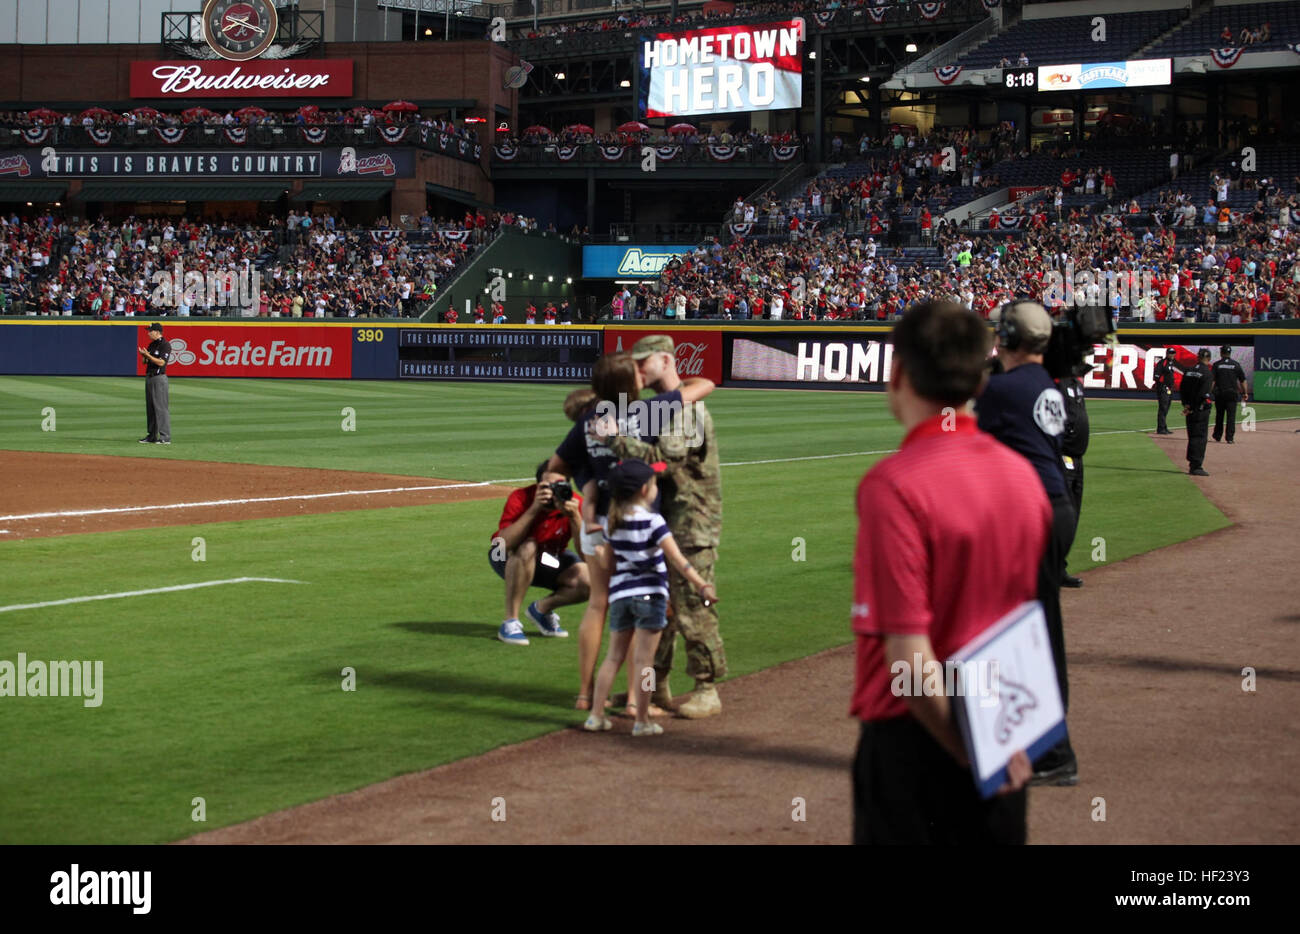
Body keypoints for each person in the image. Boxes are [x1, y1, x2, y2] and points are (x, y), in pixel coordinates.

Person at [852, 300, 1043, 844]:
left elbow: (908, 661)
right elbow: (1021, 627)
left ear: (898, 373)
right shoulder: (1023, 476)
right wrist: (1005, 744)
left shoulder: (894, 484)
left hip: (918, 745)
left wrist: (971, 754)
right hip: (1005, 728)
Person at [547, 352, 715, 712]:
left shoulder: (590, 419)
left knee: (598, 605)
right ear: (628, 384)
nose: (642, 374)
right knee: (645, 614)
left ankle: (586, 694)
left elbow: (554, 468)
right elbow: (706, 386)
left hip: (597, 527)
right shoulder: (645, 412)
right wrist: (665, 379)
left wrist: (581, 484)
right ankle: (640, 700)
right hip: (636, 526)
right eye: (636, 372)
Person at [976, 300, 1077, 785]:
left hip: (1031, 515)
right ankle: (1036, 743)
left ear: (1009, 339)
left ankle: (1052, 752)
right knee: (1037, 627)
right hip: (1057, 509)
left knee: (1026, 636)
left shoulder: (1002, 389)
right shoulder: (1043, 382)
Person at [610, 335, 725, 719]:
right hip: (665, 520)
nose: (639, 370)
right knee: (660, 609)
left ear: (665, 359)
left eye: (645, 363)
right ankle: (653, 688)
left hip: (693, 522)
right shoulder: (660, 409)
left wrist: (618, 442)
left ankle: (707, 688)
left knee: (693, 607)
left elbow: (666, 462)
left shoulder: (688, 412)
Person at [583, 459, 718, 737]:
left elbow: (608, 562)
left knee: (612, 658)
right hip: (650, 595)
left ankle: (596, 716)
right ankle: (642, 720)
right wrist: (702, 584)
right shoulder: (654, 521)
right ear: (645, 490)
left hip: (621, 596)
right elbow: (678, 560)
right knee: (645, 663)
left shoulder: (613, 522)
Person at [491, 463, 590, 646]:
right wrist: (534, 509)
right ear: (538, 486)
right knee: (528, 546)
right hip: (508, 557)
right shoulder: (521, 497)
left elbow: (587, 555)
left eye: (559, 486)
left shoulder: (576, 503)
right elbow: (501, 545)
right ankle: (510, 622)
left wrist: (575, 517)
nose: (553, 491)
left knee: (590, 578)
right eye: (547, 487)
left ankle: (541, 610)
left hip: (550, 557)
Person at [1056, 363, 1090, 588]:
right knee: (1063, 514)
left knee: (1073, 513)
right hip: (1062, 456)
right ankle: (1052, 568)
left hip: (1077, 457)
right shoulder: (1056, 385)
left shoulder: (1076, 386)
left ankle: (1059, 566)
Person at [1181, 348, 1214, 475]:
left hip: (1189, 408)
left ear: (1197, 357)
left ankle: (1192, 462)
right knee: (1200, 437)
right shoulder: (1207, 373)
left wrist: (1187, 406)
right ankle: (1196, 466)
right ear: (1209, 358)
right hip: (1199, 409)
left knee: (1192, 436)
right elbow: (1203, 394)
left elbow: (1183, 389)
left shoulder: (1189, 371)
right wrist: (1194, 407)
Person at [138, 322, 172, 445]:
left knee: (161, 408)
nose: (148, 333)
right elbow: (144, 362)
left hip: (159, 378)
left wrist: (148, 356)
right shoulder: (152, 344)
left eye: (150, 331)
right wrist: (144, 356)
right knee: (151, 408)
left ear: (157, 332)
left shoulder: (165, 345)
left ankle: (165, 437)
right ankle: (151, 435)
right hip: (149, 377)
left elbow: (161, 363)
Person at [1211, 345, 1248, 443]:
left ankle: (1217, 435)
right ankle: (1230, 438)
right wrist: (1245, 393)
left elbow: (1212, 381)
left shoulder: (1217, 365)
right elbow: (1243, 380)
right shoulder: (1236, 364)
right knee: (1231, 417)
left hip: (1220, 394)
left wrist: (1209, 392)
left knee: (1219, 416)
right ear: (1230, 353)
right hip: (1232, 394)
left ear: (1221, 353)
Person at [1153, 348, 1178, 433]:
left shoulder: (1171, 363)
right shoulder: (1162, 362)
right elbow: (1156, 375)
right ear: (1167, 353)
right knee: (1163, 408)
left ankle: (1164, 427)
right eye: (1170, 353)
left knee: (1166, 408)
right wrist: (1161, 385)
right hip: (1163, 388)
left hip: (1169, 389)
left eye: (1173, 353)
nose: (1172, 355)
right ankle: (1160, 428)